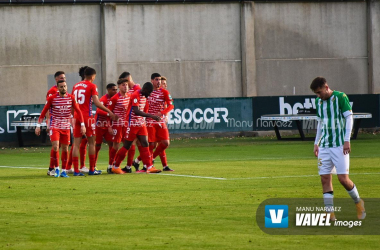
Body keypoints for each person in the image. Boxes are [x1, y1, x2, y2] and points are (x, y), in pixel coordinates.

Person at [311, 77, 366, 221]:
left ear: (326, 87)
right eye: (316, 93)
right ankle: (330, 213)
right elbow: (321, 124)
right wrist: (316, 143)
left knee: (343, 179)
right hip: (324, 146)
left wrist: (347, 140)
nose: (318, 96)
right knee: (325, 178)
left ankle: (358, 202)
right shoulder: (318, 102)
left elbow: (349, 118)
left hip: (339, 145)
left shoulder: (341, 97)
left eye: (319, 92)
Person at [71, 67, 117, 175]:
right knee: (92, 143)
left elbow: (72, 103)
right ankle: (92, 169)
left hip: (77, 117)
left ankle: (76, 170)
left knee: (76, 144)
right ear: (93, 76)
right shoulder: (92, 86)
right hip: (87, 117)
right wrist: (108, 111)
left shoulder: (75, 86)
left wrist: (73, 116)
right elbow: (96, 102)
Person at [36, 80, 85, 177]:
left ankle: (63, 171)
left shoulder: (71, 98)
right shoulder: (52, 98)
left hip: (66, 127)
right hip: (55, 126)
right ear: (58, 88)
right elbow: (44, 111)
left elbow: (78, 111)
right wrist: (38, 126)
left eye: (65, 86)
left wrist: (83, 124)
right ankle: (57, 169)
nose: (63, 88)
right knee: (55, 146)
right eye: (61, 87)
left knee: (66, 149)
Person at [112, 82, 161, 174]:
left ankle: (149, 167)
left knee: (145, 143)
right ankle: (115, 166)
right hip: (132, 124)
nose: (150, 94)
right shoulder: (135, 94)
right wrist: (151, 116)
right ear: (145, 89)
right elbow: (136, 111)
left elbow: (143, 109)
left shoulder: (144, 96)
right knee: (127, 145)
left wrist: (145, 119)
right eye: (149, 92)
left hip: (141, 124)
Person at [133, 74, 174, 172]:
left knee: (165, 143)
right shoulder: (147, 92)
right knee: (151, 145)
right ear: (152, 81)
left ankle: (143, 159)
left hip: (160, 121)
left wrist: (162, 113)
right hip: (149, 121)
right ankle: (148, 166)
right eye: (156, 80)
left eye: (160, 80)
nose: (159, 82)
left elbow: (171, 106)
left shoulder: (164, 92)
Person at [107, 78, 131, 174]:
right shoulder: (114, 98)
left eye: (126, 85)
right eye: (123, 85)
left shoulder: (129, 96)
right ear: (119, 87)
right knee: (116, 146)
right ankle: (110, 166)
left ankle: (117, 164)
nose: (126, 87)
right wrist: (109, 126)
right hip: (117, 125)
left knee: (127, 145)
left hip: (126, 125)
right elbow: (108, 113)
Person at [119, 72, 142, 171]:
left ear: (128, 79)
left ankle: (131, 165)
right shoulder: (131, 90)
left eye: (125, 82)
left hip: (138, 120)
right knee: (136, 143)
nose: (125, 85)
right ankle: (135, 164)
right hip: (132, 120)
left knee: (139, 143)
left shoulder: (137, 90)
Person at [45, 71, 66, 176]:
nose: (64, 79)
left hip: (63, 123)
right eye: (61, 77)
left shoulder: (62, 90)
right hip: (54, 123)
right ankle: (51, 168)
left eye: (64, 77)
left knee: (60, 146)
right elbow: (48, 108)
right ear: (56, 79)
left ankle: (59, 168)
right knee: (55, 146)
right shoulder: (52, 91)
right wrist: (48, 123)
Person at [94, 83, 118, 170]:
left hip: (109, 125)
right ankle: (93, 165)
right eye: (113, 90)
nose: (115, 91)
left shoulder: (116, 99)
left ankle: (111, 165)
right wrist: (109, 113)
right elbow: (98, 110)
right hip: (99, 125)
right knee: (97, 145)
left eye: (116, 89)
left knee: (112, 144)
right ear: (108, 90)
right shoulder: (104, 99)